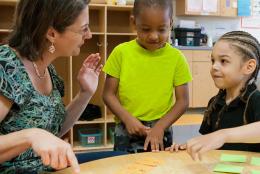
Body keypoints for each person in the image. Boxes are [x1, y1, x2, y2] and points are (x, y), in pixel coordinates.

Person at [0, 0, 103, 173]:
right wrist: (30, 136)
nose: (89, 35)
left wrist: (85, 93)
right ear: (51, 33)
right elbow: (38, 136)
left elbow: (52, 132)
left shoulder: (47, 69)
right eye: (83, 29)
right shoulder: (6, 66)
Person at [103, 0, 192, 153]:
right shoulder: (121, 53)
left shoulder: (177, 58)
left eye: (162, 29)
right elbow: (108, 94)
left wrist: (160, 127)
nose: (153, 36)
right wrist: (128, 119)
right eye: (145, 29)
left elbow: (183, 101)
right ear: (133, 23)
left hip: (161, 127)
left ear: (170, 24)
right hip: (127, 127)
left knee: (160, 167)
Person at [166, 31, 260, 160]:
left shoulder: (256, 99)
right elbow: (209, 142)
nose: (214, 66)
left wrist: (223, 135)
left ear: (249, 67)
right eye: (212, 60)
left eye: (223, 61)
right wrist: (188, 147)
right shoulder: (215, 103)